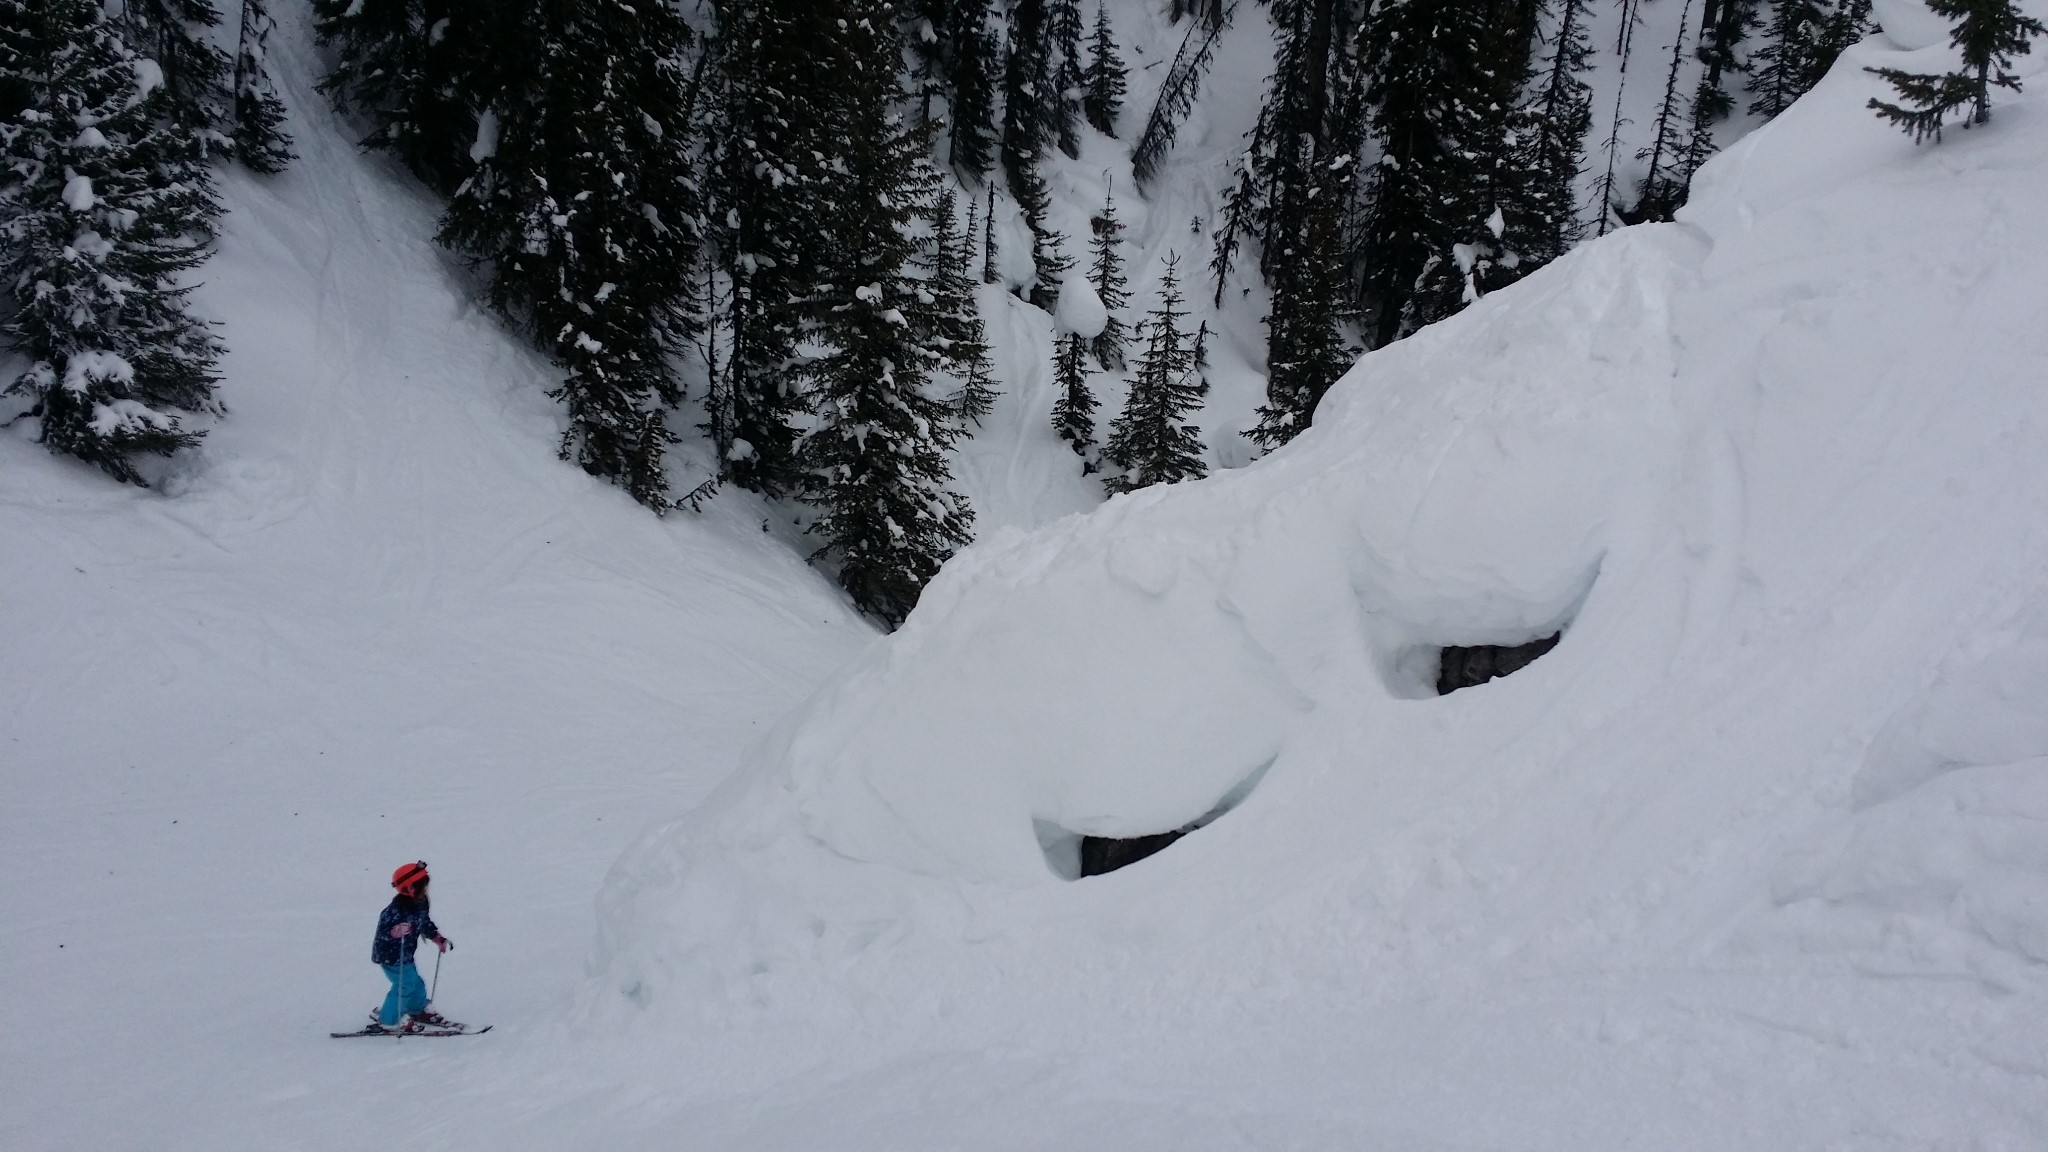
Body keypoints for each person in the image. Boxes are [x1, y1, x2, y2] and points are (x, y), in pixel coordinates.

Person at [369, 860, 454, 1032]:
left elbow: (423, 922)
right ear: (409, 889)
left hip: (405, 954)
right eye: (421, 887)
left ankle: (417, 1010)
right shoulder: (394, 911)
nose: (425, 891)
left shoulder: (420, 904)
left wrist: (436, 937)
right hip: (390, 956)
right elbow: (381, 935)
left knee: (415, 983)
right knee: (405, 985)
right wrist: (394, 932)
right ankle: (389, 1020)